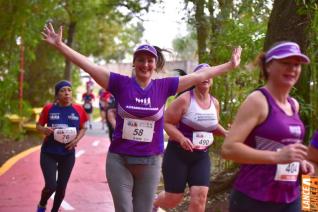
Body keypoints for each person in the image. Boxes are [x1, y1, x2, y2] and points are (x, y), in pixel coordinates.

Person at [42, 23, 241, 212]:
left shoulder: (164, 87)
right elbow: (88, 65)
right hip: (119, 160)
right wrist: (60, 45)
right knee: (125, 210)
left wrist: (230, 65)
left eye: (149, 60)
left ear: (155, 64)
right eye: (141, 60)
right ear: (134, 63)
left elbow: (199, 76)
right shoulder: (120, 83)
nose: (145, 64)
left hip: (150, 162)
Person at [221, 41, 314, 212]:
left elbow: (283, 147)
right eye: (286, 63)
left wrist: (299, 161)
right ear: (269, 66)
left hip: (289, 197)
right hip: (255, 198)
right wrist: (276, 157)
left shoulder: (294, 105)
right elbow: (228, 149)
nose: (292, 69)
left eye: (297, 64)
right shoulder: (258, 101)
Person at [153, 64, 228, 212]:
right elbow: (165, 122)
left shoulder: (215, 103)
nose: (205, 76)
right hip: (178, 155)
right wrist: (181, 138)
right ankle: (153, 203)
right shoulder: (184, 100)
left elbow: (212, 125)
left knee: (200, 198)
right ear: (195, 78)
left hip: (201, 156)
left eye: (209, 73)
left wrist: (226, 133)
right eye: (202, 73)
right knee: (173, 199)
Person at [36, 80, 88, 212]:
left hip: (68, 154)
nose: (67, 93)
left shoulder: (78, 109)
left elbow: (83, 128)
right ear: (57, 95)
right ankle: (42, 204)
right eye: (63, 90)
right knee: (51, 185)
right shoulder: (49, 108)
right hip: (49, 153)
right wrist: (44, 130)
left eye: (69, 90)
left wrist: (76, 140)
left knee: (61, 188)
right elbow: (39, 125)